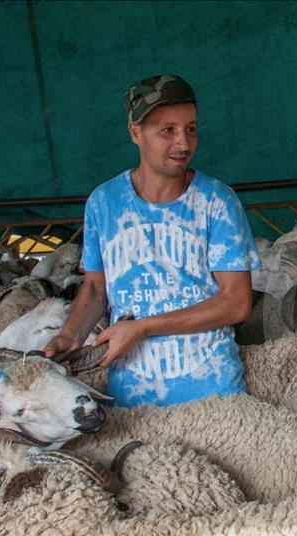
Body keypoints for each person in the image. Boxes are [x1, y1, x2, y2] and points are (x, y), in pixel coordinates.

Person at [44, 75, 261, 407]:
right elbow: (95, 288)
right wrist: (69, 336)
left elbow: (236, 302)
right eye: (167, 130)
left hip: (213, 394)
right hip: (133, 398)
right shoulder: (104, 203)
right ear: (135, 132)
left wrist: (143, 327)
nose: (184, 144)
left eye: (191, 129)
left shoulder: (217, 202)